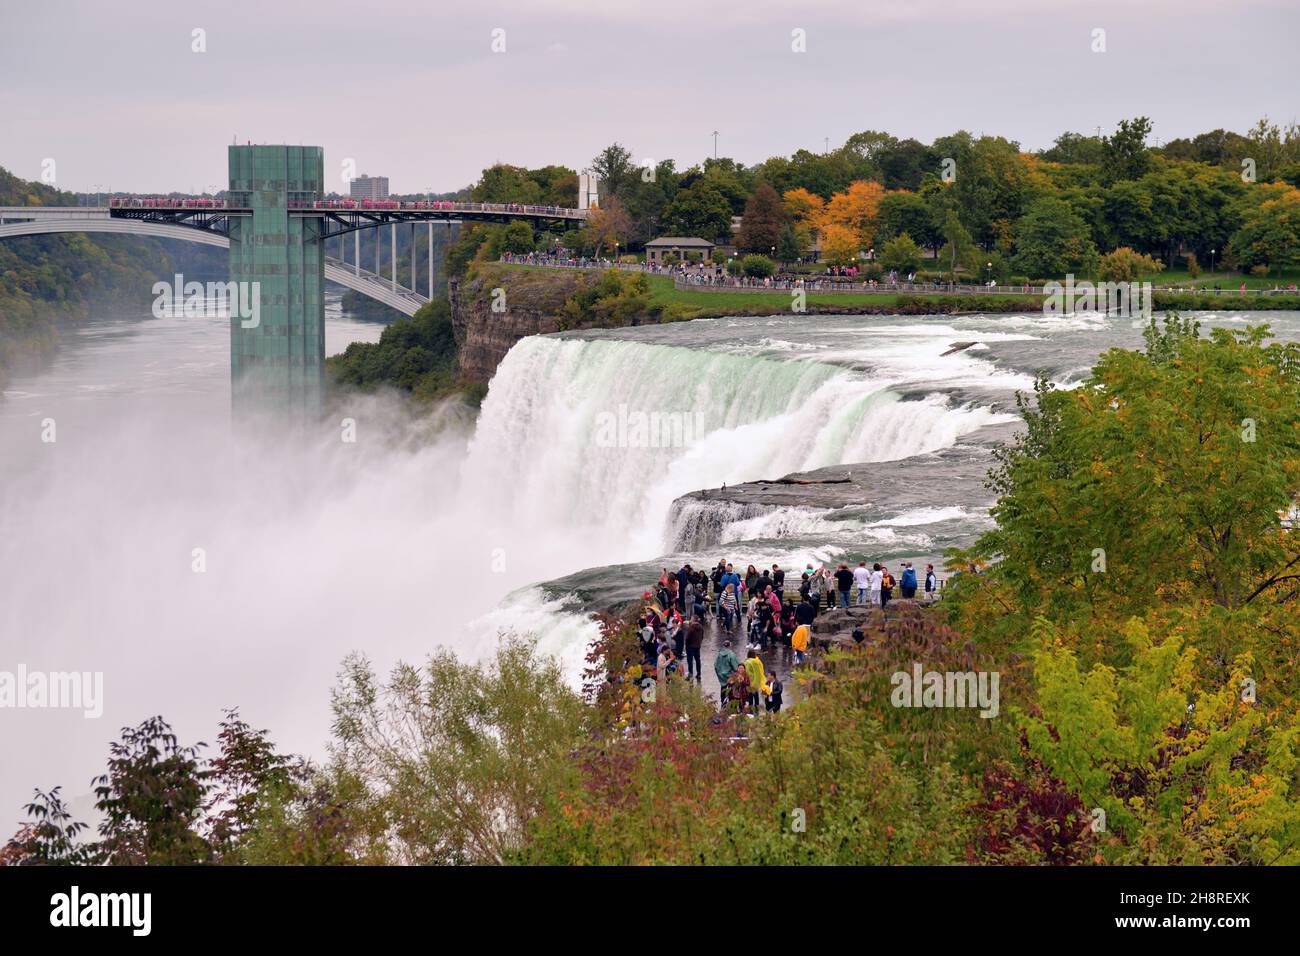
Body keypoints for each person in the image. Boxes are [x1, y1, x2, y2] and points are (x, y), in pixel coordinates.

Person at [714, 639, 740, 706]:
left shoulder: (719, 654)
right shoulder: (731, 655)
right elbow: (736, 667)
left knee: (723, 693)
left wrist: (720, 674)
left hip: (722, 678)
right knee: (731, 695)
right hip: (730, 679)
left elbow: (716, 665)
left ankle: (723, 706)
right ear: (730, 646)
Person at [743, 647, 767, 714]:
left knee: (750, 698)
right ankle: (757, 710)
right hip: (757, 682)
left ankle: (751, 712)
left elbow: (746, 672)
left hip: (750, 682)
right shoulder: (758, 661)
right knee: (756, 697)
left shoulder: (748, 662)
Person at [683, 617, 704, 681]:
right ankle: (699, 674)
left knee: (690, 661)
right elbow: (702, 636)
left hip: (690, 647)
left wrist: (686, 644)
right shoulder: (701, 627)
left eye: (691, 619)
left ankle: (690, 675)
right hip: (697, 646)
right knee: (698, 660)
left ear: (693, 620)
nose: (690, 620)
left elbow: (687, 638)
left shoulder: (691, 627)